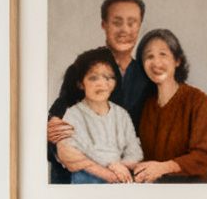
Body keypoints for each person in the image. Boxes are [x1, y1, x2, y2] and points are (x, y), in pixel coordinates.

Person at [46, 0, 153, 183]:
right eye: (117, 22)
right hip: (82, 175)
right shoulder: (81, 68)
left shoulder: (147, 76)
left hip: (127, 176)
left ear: (140, 25)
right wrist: (52, 127)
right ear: (104, 25)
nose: (124, 29)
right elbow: (61, 116)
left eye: (132, 22)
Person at [129, 28, 207, 184]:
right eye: (149, 56)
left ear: (177, 60)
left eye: (163, 54)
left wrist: (164, 168)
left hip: (194, 191)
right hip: (155, 192)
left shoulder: (198, 101)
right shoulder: (145, 105)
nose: (156, 62)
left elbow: (206, 155)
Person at [54, 47, 142, 184]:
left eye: (109, 77)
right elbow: (75, 155)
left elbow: (135, 152)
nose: (102, 84)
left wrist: (120, 168)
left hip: (120, 176)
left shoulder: (122, 115)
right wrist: (111, 166)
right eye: (93, 78)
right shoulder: (73, 115)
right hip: (87, 178)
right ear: (80, 83)